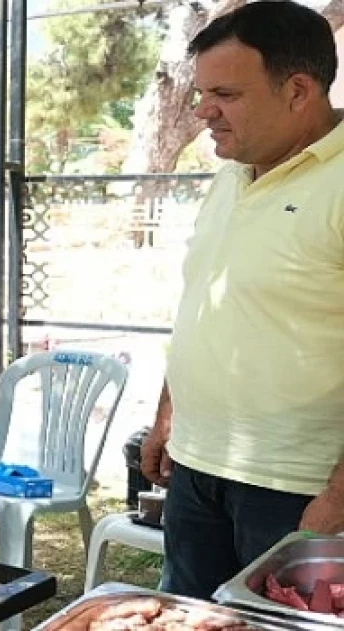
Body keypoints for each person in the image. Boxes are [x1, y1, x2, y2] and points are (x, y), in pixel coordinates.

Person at [140, 1, 344, 600]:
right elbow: (205, 303)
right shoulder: (233, 174)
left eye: (224, 93)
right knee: (192, 616)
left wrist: (338, 497)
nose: (202, 110)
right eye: (202, 92)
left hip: (297, 487)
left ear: (299, 91)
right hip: (198, 469)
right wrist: (168, 416)